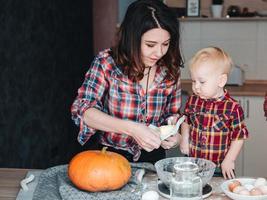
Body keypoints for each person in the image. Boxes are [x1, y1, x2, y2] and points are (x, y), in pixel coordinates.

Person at [71, 0, 183, 163]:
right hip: (111, 155)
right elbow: (82, 111)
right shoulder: (107, 63)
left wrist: (175, 136)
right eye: (150, 45)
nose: (159, 52)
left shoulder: (170, 70)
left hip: (153, 157)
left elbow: (171, 115)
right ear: (132, 38)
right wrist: (132, 129)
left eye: (165, 44)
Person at [180, 47, 249, 179]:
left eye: (202, 82)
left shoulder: (233, 108)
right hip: (193, 164)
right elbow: (186, 121)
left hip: (219, 167)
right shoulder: (193, 100)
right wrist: (184, 138)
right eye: (194, 81)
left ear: (221, 81)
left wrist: (229, 160)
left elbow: (239, 137)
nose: (196, 87)